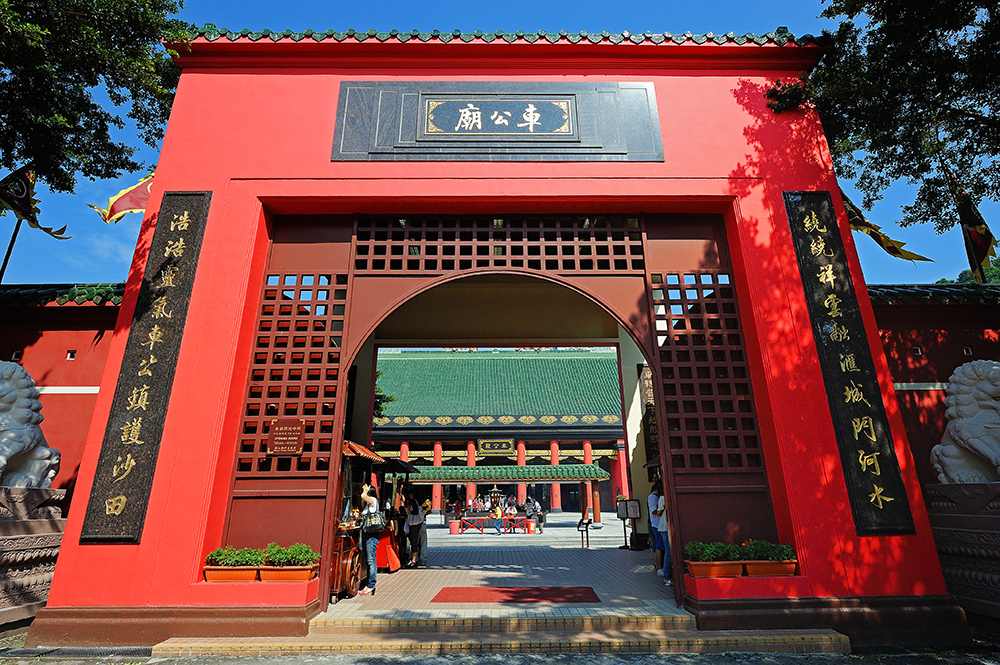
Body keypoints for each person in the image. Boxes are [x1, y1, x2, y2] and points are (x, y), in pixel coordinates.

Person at [359, 483, 379, 596]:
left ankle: (371, 585)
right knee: (369, 559)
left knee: (371, 560)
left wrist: (365, 490)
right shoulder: (368, 505)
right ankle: (369, 583)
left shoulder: (373, 500)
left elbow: (362, 496)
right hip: (368, 534)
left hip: (372, 535)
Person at [656, 490, 673, 586]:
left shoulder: (663, 497)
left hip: (664, 527)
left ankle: (667, 575)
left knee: (668, 551)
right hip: (664, 527)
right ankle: (667, 577)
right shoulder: (663, 498)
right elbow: (658, 513)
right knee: (668, 551)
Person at [648, 484, 664, 574]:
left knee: (657, 545)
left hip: (656, 524)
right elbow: (654, 511)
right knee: (658, 546)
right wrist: (661, 508)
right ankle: (659, 566)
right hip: (657, 524)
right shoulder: (653, 497)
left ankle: (658, 565)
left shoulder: (653, 497)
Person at [405, 497, 424, 568]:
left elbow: (415, 512)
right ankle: (414, 559)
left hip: (414, 525)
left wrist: (409, 511)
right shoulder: (418, 501)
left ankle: (413, 560)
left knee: (414, 542)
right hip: (417, 524)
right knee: (415, 542)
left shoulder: (413, 501)